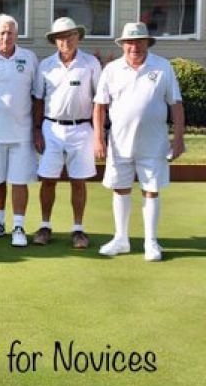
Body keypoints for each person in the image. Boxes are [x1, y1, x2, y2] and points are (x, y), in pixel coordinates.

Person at [94, 22, 185, 262]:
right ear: (123, 44)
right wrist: (98, 138)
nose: (134, 46)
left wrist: (178, 138)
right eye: (130, 42)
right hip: (119, 142)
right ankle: (121, 239)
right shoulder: (111, 69)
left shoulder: (163, 67)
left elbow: (175, 104)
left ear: (147, 42)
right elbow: (100, 106)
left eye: (139, 41)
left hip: (153, 143)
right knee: (120, 188)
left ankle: (151, 242)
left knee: (151, 190)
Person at [32, 17, 101, 249]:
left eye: (70, 35)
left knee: (78, 181)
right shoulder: (45, 65)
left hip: (82, 128)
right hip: (51, 128)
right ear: (54, 41)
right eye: (61, 37)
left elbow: (100, 101)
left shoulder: (90, 63)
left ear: (78, 37)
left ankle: (78, 229)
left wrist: (101, 134)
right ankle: (45, 225)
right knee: (48, 180)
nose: (66, 41)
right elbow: (38, 100)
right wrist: (37, 131)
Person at [0, 14, 40, 247]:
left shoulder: (29, 58)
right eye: (2, 32)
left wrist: (36, 129)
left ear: (17, 34)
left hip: (22, 133)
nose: (6, 36)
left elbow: (37, 95)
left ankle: (19, 226)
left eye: (10, 32)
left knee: (19, 180)